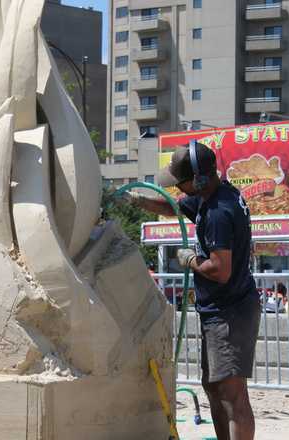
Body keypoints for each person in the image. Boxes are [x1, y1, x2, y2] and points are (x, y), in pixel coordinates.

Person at [119, 141, 260, 440]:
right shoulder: (212, 197)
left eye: (180, 182)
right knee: (213, 386)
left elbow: (220, 270)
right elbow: (174, 208)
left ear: (198, 179)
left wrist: (192, 260)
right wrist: (136, 201)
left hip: (230, 312)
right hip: (219, 311)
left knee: (233, 395)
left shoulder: (218, 213)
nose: (178, 189)